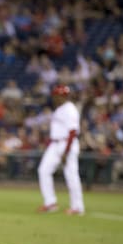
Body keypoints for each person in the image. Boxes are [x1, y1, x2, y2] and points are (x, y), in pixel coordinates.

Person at [37, 84, 85, 215]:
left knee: (71, 175)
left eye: (57, 95)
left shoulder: (70, 109)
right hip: (55, 143)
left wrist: (66, 150)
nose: (54, 97)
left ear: (63, 96)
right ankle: (50, 202)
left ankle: (77, 207)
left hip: (66, 143)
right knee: (43, 170)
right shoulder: (59, 109)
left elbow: (73, 131)